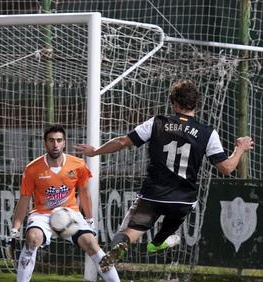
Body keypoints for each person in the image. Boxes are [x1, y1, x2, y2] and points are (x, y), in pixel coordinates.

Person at [74, 79, 255, 271]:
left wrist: (95, 152)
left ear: (173, 103)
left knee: (130, 232)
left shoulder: (157, 123)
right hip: (182, 201)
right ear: (196, 104)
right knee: (175, 217)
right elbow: (227, 168)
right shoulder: (207, 133)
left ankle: (121, 245)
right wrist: (240, 149)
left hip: (152, 197)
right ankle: (159, 241)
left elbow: (122, 142)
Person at [7, 124, 145, 282]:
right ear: (44, 143)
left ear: (64, 143)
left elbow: (85, 194)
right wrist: (15, 231)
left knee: (91, 244)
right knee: (32, 239)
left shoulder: (78, 165)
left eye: (59, 140)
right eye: (51, 141)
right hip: (42, 215)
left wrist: (89, 221)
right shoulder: (32, 169)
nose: (55, 145)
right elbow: (23, 202)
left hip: (70, 214)